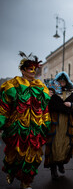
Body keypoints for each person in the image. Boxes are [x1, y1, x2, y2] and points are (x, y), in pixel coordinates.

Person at [0, 51, 51, 189]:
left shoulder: (41, 88)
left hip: (35, 129)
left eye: (35, 69)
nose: (33, 71)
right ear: (23, 70)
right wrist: (1, 122)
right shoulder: (12, 85)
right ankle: (11, 171)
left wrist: (47, 123)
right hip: (16, 129)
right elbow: (4, 107)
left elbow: (44, 108)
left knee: (33, 157)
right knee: (13, 157)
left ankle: (26, 182)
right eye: (30, 69)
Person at [44, 71, 73, 180]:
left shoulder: (72, 92)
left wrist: (72, 105)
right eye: (60, 81)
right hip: (55, 122)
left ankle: (61, 163)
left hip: (68, 123)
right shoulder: (51, 92)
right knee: (54, 145)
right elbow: (50, 106)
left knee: (66, 144)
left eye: (64, 81)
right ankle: (53, 167)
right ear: (57, 82)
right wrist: (64, 107)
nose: (62, 82)